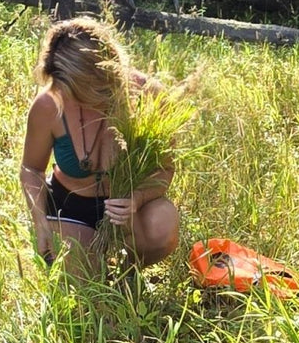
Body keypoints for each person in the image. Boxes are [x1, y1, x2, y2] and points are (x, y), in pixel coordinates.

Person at [20, 17, 180, 272]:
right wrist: (39, 223)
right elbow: (31, 169)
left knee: (163, 226)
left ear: (103, 74)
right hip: (72, 205)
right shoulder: (48, 104)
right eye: (64, 88)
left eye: (79, 88)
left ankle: (129, 272)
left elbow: (166, 168)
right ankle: (92, 263)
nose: (70, 96)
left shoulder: (148, 95)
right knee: (79, 277)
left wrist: (136, 199)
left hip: (131, 209)